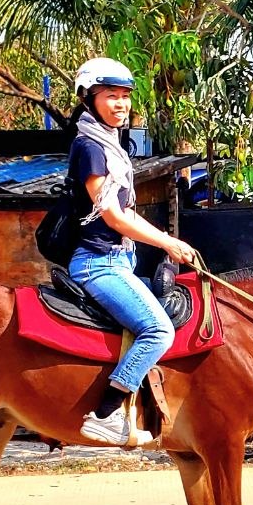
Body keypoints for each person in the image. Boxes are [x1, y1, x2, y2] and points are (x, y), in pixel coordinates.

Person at [69, 57, 195, 445]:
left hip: (120, 260)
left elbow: (127, 212)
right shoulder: (91, 147)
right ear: (89, 99)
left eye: (125, 96)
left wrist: (168, 240)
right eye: (111, 95)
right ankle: (106, 414)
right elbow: (114, 217)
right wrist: (167, 242)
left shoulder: (112, 145)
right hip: (98, 264)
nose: (121, 104)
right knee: (158, 330)